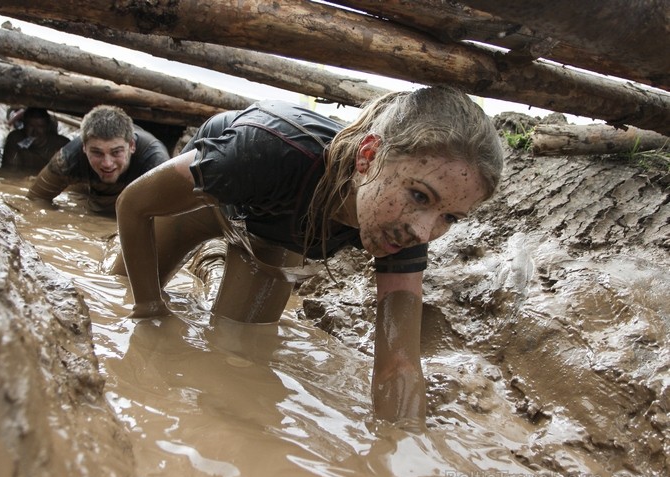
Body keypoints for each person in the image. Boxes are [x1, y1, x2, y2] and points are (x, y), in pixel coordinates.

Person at [113, 86, 503, 423]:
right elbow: (133, 205)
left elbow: (397, 365)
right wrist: (150, 309)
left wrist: (402, 452)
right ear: (368, 156)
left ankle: (215, 267)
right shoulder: (267, 149)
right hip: (212, 197)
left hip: (275, 233)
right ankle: (200, 266)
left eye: (449, 217)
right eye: (419, 196)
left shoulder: (407, 230)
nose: (423, 232)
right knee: (122, 288)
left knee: (237, 347)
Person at [27, 105, 170, 213]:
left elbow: (167, 217)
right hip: (90, 192)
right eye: (97, 153)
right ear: (84, 147)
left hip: (134, 199)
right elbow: (35, 198)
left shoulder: (155, 160)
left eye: (116, 152)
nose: (107, 163)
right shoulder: (69, 157)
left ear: (131, 146)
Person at [1, 107, 70, 172]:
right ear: (24, 126)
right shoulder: (15, 139)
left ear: (47, 127)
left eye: (40, 126)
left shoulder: (61, 145)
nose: (35, 132)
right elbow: (9, 171)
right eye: (31, 126)